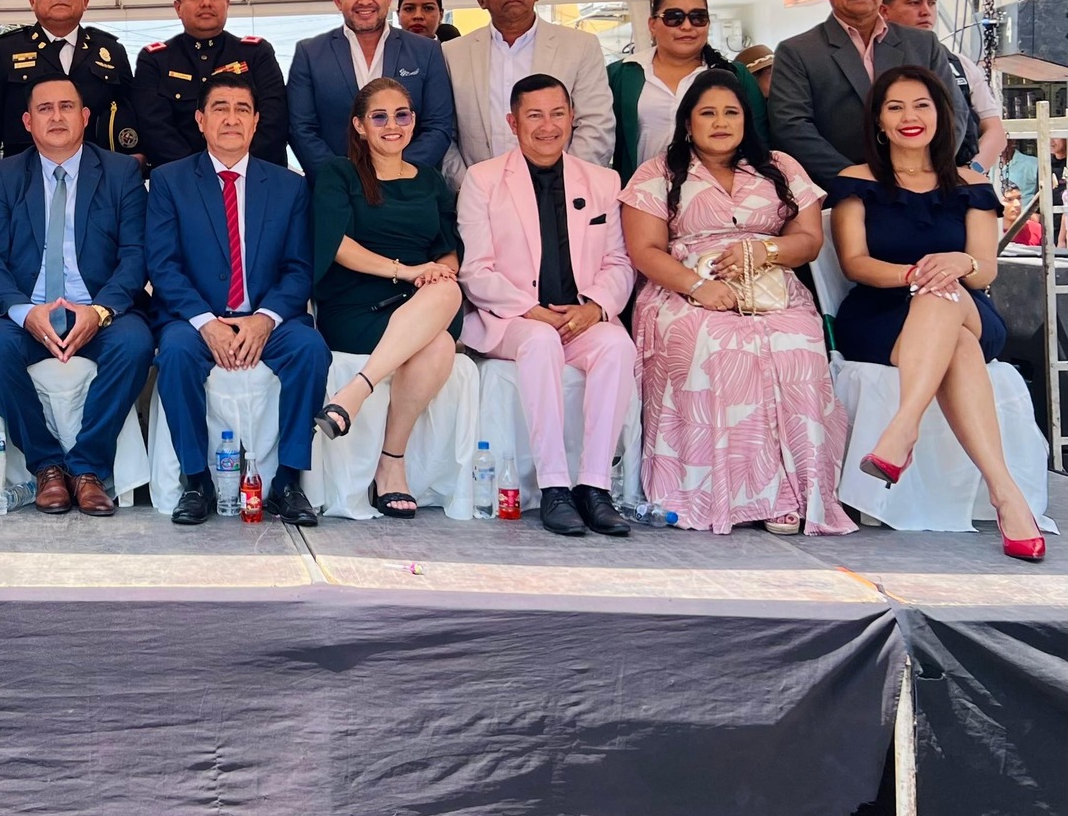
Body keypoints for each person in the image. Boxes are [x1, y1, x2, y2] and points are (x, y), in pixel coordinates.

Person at [618, 71, 852, 536]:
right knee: (718, 343)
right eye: (707, 113)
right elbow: (644, 251)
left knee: (797, 344)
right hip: (684, 289)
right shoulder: (658, 173)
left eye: (731, 112)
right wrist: (697, 287)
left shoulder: (780, 167)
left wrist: (765, 250)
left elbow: (809, 240)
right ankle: (724, 494)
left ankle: (793, 494)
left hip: (771, 285)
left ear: (747, 119)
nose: (720, 122)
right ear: (688, 123)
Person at [830, 66, 1044, 560]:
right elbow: (855, 263)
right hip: (881, 314)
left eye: (921, 105)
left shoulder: (972, 183)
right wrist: (915, 274)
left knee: (944, 297)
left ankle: (902, 429)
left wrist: (960, 263)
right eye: (896, 107)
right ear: (879, 121)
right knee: (949, 326)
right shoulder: (854, 182)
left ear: (941, 115)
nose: (910, 116)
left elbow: (985, 269)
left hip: (969, 306)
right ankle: (1006, 495)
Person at [457, 75, 638, 538]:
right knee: (539, 341)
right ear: (512, 122)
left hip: (580, 317)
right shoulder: (483, 179)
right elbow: (475, 270)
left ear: (573, 117)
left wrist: (594, 308)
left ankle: (594, 487)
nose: (548, 126)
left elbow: (619, 262)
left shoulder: (602, 181)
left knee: (617, 346)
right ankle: (555, 486)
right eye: (534, 115)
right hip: (513, 319)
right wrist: (531, 309)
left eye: (558, 114)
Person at [146, 77, 328, 526]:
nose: (232, 119)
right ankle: (197, 482)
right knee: (175, 354)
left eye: (242, 109)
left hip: (266, 317)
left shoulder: (288, 186)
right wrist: (206, 322)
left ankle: (287, 481)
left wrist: (264, 319)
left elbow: (298, 268)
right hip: (195, 318)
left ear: (256, 121)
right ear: (200, 120)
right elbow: (163, 265)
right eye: (220, 108)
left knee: (310, 350)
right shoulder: (169, 181)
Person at [0, 78, 155, 516]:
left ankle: (88, 467)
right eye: (45, 109)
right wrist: (24, 312)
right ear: (27, 121)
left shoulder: (120, 172)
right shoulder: (4, 175)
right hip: (27, 310)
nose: (56, 117)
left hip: (97, 310)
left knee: (135, 344)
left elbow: (135, 256)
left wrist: (100, 311)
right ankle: (47, 466)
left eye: (67, 107)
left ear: (85, 117)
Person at [310, 78, 465, 518]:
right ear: (360, 126)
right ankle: (392, 464)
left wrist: (438, 271)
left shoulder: (430, 180)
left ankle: (356, 396)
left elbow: (448, 249)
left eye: (402, 115)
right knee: (438, 343)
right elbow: (336, 245)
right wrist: (407, 270)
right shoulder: (338, 174)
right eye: (379, 117)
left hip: (422, 301)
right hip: (356, 304)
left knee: (446, 297)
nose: (392, 125)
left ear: (413, 122)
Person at [768, 0, 975, 193]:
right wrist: (856, 180)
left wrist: (925, 173)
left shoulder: (924, 44)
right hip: (840, 193)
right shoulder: (798, 52)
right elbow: (791, 127)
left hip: (924, 190)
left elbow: (953, 110)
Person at [442, 0, 616, 177]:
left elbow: (596, 122)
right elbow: (444, 132)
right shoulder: (452, 53)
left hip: (561, 187)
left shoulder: (580, 46)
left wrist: (565, 182)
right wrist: (467, 184)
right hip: (480, 189)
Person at [288, 0, 456, 176]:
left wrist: (393, 174)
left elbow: (438, 127)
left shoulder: (427, 51)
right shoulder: (310, 54)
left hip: (410, 188)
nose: (365, 0)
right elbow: (301, 130)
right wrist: (343, 180)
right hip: (335, 190)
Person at [0, 0, 138, 169]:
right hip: (25, 176)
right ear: (33, 0)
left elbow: (131, 116)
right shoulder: (6, 51)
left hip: (99, 174)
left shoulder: (111, 52)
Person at [133, 0, 290, 168]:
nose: (206, 2)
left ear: (227, 4)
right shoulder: (155, 60)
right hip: (181, 179)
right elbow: (154, 129)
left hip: (256, 175)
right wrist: (201, 173)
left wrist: (236, 171)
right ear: (178, 8)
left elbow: (274, 121)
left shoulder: (257, 53)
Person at [608, 0, 768, 182]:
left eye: (698, 17)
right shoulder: (621, 75)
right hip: (641, 192)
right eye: (674, 17)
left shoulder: (735, 76)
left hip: (719, 193)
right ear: (652, 25)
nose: (686, 26)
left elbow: (760, 140)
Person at [883, 0, 1008, 170]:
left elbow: (994, 130)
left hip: (957, 178)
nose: (926, 11)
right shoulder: (872, 62)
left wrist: (971, 171)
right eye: (914, 2)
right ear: (884, 11)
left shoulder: (961, 64)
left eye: (931, 3)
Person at [396, 0, 461, 43]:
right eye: (409, 9)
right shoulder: (389, 49)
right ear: (398, 15)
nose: (418, 16)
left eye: (428, 8)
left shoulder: (454, 49)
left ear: (441, 15)